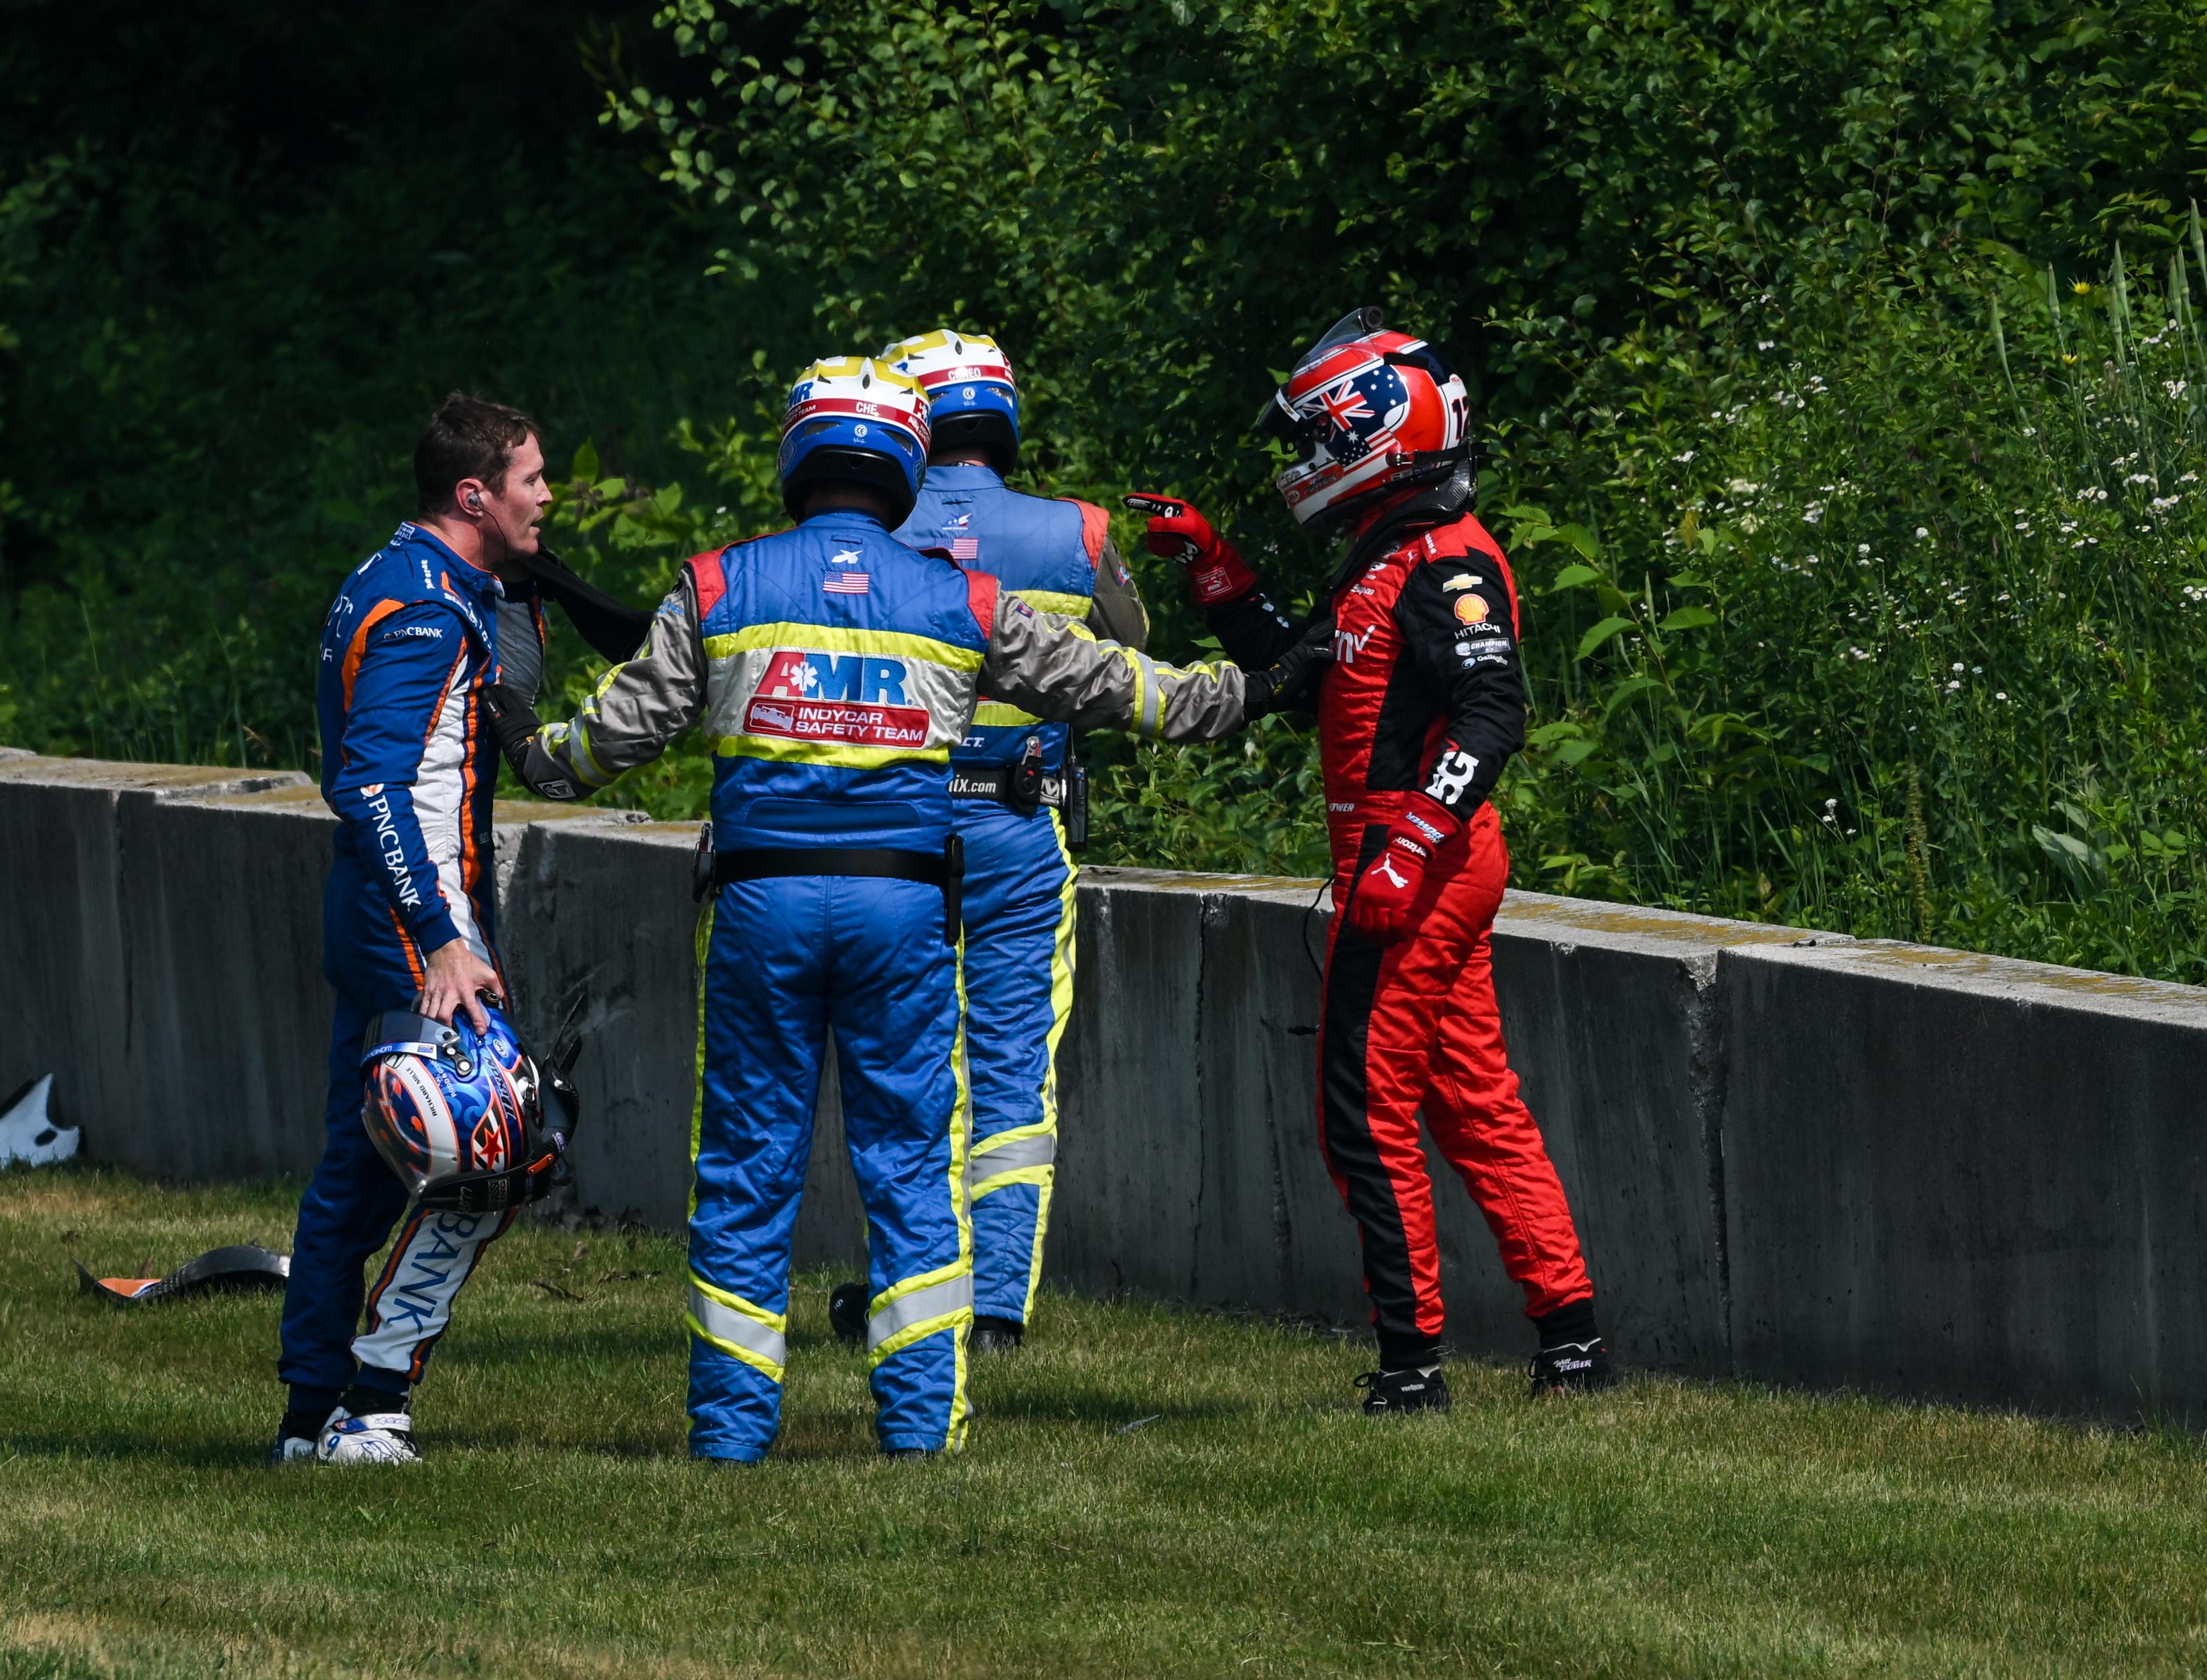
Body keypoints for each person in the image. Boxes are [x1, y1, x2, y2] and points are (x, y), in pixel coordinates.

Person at [494, 354, 1333, 1462]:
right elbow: (1124, 688)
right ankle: (923, 1427)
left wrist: (522, 731)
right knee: (908, 1165)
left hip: (759, 911)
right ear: (903, 458)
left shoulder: (716, 585)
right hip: (902, 918)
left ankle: (731, 1437)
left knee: (748, 1166)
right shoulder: (962, 597)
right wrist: (1263, 686)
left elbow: (599, 746)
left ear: (798, 454)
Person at [1130, 308, 1617, 1414]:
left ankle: (1411, 1371)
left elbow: (1494, 712)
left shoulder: (1445, 560)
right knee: (1472, 1098)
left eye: (1315, 437)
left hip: (1415, 870)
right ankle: (1572, 1344)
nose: (1305, 460)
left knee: (1361, 1108)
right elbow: (1297, 672)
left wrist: (1406, 849)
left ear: (1374, 432)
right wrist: (1215, 565)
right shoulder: (1390, 555)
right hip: (1422, 863)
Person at [841, 327, 1150, 1354]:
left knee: (905, 1065)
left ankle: (907, 1286)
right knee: (1014, 1068)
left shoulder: (862, 528)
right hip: (1021, 825)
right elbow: (1131, 648)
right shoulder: (1077, 530)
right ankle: (999, 1305)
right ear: (1005, 413)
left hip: (895, 830)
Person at [272, 390, 554, 1467]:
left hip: (388, 916)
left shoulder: (394, 577)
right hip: (413, 928)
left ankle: (310, 1418)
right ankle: (373, 1403)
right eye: (530, 478)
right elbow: (375, 787)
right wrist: (441, 933)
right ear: (474, 493)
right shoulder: (429, 609)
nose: (547, 497)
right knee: (496, 1148)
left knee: (357, 1170)